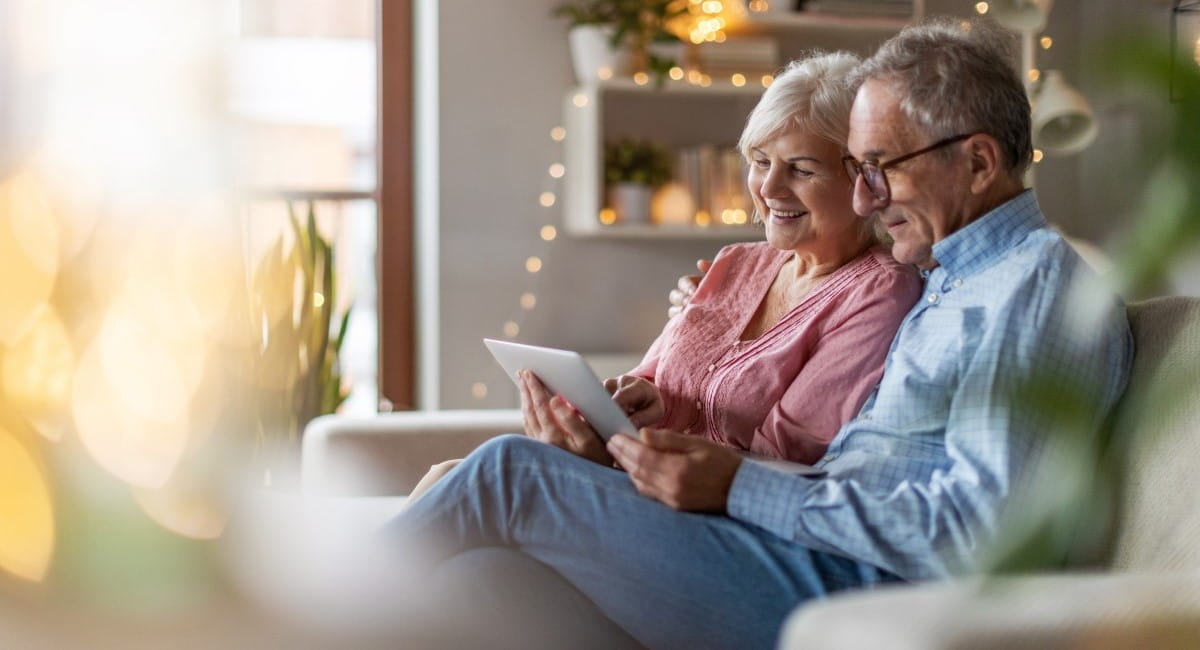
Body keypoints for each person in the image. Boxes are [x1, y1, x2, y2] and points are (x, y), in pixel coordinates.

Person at [386, 17, 1133, 650]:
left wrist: (742, 488)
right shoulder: (952, 277)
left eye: (880, 168)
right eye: (860, 169)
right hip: (809, 556)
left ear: (976, 162)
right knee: (481, 581)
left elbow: (980, 538)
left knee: (510, 473)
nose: (869, 197)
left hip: (857, 593)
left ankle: (280, 618)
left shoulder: (1033, 290)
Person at [406, 52, 921, 503]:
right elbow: (655, 382)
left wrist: (616, 455)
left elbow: (786, 458)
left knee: (481, 474)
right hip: (638, 481)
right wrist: (635, 404)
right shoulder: (736, 262)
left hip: (709, 518)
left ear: (864, 182)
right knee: (451, 476)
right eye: (760, 161)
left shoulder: (880, 290)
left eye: (802, 170)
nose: (768, 188)